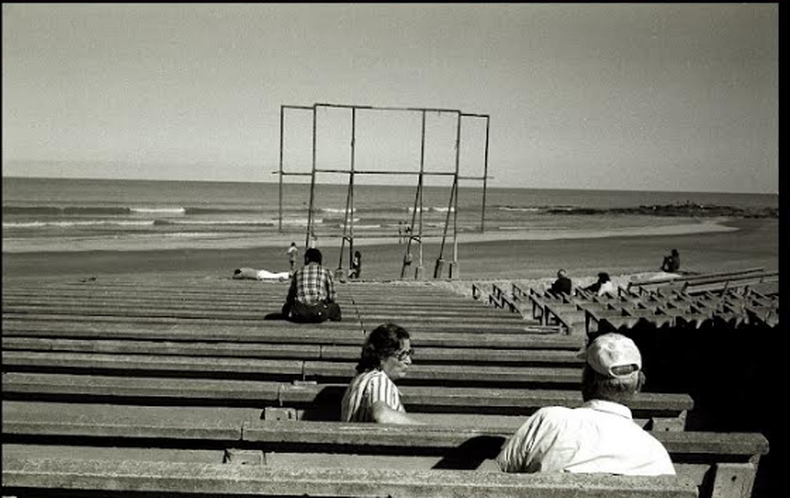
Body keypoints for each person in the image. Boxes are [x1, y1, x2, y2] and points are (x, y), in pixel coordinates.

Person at [497, 333, 675, 475]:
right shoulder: (656, 455)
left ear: (586, 379)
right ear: (638, 386)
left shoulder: (549, 421)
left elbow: (495, 476)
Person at [340, 323, 423, 424]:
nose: (408, 361)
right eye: (402, 355)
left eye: (409, 353)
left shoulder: (361, 378)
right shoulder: (379, 380)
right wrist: (425, 429)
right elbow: (382, 415)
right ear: (382, 356)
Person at [281, 248, 341, 323]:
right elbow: (332, 297)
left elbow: (290, 297)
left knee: (286, 307)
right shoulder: (326, 272)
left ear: (307, 259)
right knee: (336, 308)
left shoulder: (298, 272)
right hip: (318, 313)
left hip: (299, 314)